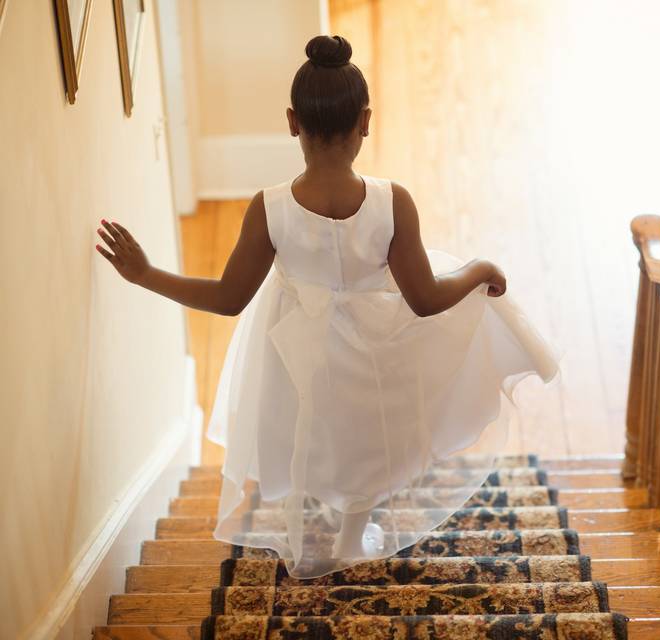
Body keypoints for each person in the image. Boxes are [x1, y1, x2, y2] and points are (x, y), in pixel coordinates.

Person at [95, 34, 559, 578]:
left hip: (298, 349)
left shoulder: (269, 210)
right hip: (377, 346)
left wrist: (145, 274)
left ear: (293, 122)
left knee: (313, 428)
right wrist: (479, 268)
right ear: (366, 121)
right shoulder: (393, 203)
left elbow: (227, 299)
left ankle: (323, 513)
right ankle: (351, 535)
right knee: (367, 432)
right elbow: (428, 299)